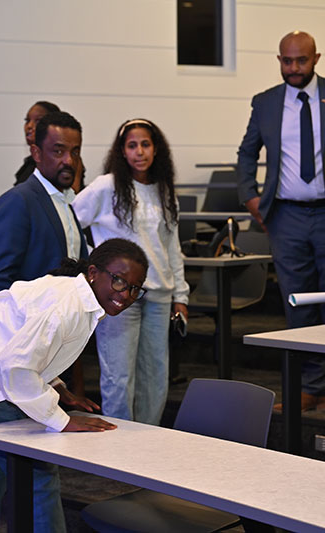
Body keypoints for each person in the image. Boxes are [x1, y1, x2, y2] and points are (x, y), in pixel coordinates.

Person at [0, 238, 149, 533]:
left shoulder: (72, 294)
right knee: (37, 477)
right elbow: (16, 367)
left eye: (135, 289)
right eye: (119, 281)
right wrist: (61, 420)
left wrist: (57, 386)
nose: (126, 295)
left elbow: (24, 346)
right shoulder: (67, 306)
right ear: (93, 272)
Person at [236, 31, 325, 411]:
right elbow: (247, 153)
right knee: (298, 303)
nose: (294, 68)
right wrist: (250, 196)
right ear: (279, 60)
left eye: (301, 60)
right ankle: (311, 386)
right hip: (285, 216)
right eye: (287, 61)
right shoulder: (266, 102)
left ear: (316, 58)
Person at [72, 118, 189, 425]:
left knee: (155, 375)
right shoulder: (106, 186)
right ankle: (119, 442)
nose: (139, 152)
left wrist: (181, 296)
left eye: (145, 144)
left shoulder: (164, 191)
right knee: (119, 375)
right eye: (132, 145)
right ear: (122, 151)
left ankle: (149, 438)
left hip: (159, 294)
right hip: (119, 295)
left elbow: (172, 247)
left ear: (156, 149)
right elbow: (70, 223)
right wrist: (93, 266)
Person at [0, 110, 89, 298]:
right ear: (36, 153)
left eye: (75, 152)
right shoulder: (18, 201)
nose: (69, 161)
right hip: (31, 316)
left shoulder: (67, 200)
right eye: (58, 151)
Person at [0, 101, 83, 227]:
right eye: (27, 121)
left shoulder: (69, 164)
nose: (29, 126)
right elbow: (23, 206)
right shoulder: (29, 164)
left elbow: (68, 201)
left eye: (37, 121)